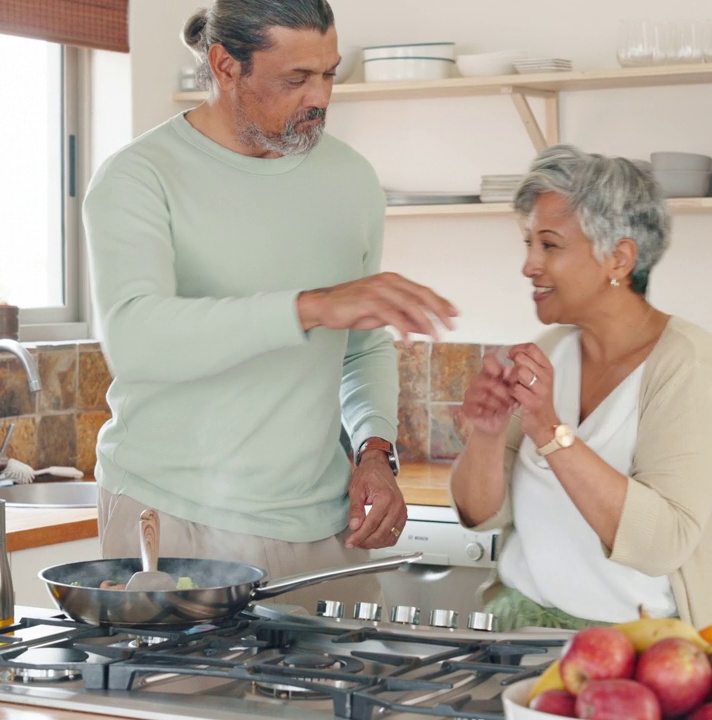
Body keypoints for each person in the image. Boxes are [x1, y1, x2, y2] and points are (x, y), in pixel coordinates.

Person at [81, 0, 456, 610]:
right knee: (186, 706)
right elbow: (134, 337)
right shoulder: (139, 177)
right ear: (226, 65)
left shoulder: (350, 179)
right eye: (296, 79)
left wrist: (374, 452)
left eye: (329, 73)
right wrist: (310, 307)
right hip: (175, 518)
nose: (321, 98)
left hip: (327, 527)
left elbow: (361, 346)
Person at [450, 146, 712, 632]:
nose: (529, 266)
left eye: (549, 245)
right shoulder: (550, 349)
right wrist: (487, 433)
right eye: (528, 244)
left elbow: (661, 544)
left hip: (637, 651)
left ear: (618, 258)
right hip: (516, 632)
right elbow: (479, 514)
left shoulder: (687, 364)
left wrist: (550, 430)